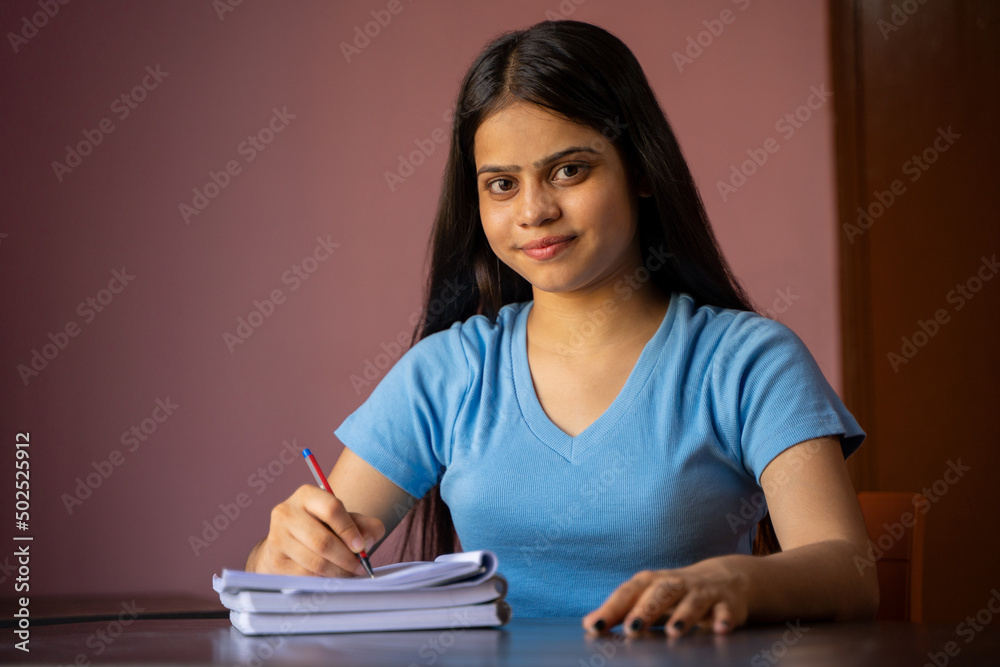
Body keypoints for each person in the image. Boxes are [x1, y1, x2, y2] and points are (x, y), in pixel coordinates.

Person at [246, 20, 878, 636]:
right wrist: (283, 556)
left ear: (641, 170)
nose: (534, 211)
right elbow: (294, 567)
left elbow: (849, 572)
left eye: (569, 170)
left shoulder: (749, 363)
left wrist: (736, 581)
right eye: (501, 184)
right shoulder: (449, 372)